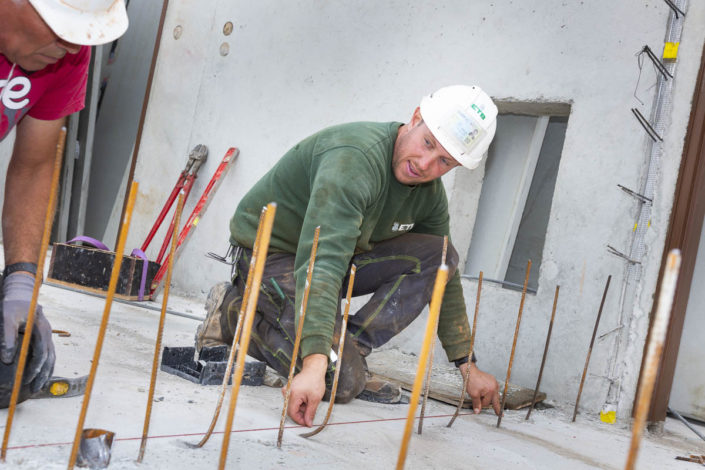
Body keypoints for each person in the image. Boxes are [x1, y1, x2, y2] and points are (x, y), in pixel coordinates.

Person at [197, 85, 502, 426]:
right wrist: (314, 365)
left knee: (439, 255)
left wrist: (467, 365)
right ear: (415, 117)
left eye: (445, 161)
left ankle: (349, 351)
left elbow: (445, 271)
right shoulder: (354, 160)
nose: (426, 163)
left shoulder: (428, 195)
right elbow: (322, 260)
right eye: (428, 143)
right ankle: (232, 314)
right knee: (338, 382)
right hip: (272, 253)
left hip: (340, 257)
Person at [0, 0, 128, 406]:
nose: (75, 46)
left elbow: (34, 167)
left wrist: (21, 282)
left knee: (11, 366)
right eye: (64, 27)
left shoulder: (69, 54)